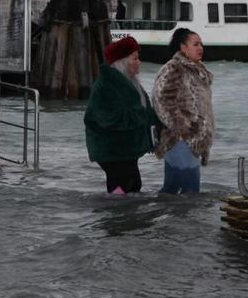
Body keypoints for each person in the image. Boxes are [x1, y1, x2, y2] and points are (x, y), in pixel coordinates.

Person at [84, 36, 159, 194]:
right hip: (111, 149)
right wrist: (140, 116)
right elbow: (108, 118)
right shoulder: (106, 84)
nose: (139, 63)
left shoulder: (132, 83)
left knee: (132, 185)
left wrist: (155, 132)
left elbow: (147, 112)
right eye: (135, 59)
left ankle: (121, 215)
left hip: (126, 149)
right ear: (123, 61)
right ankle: (116, 216)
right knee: (124, 186)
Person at [152, 28, 214, 194]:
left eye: (201, 44)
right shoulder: (174, 68)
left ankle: (162, 219)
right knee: (191, 193)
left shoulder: (197, 71)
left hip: (190, 141)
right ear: (183, 47)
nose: (200, 47)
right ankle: (186, 221)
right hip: (181, 141)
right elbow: (161, 99)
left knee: (170, 192)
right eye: (195, 44)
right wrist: (183, 128)